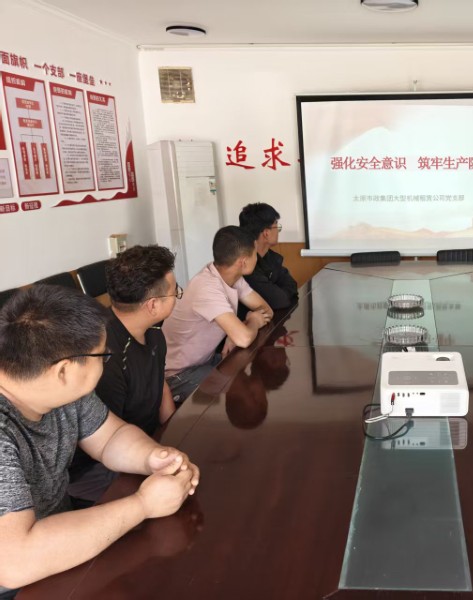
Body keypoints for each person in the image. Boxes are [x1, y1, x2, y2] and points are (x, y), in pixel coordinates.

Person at [0, 286, 200, 595]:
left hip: (64, 537)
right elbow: (15, 563)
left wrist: (154, 457)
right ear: (63, 371)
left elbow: (111, 437)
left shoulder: (62, 391)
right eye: (102, 355)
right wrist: (143, 504)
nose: (106, 362)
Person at [69, 245, 180, 506]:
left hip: (144, 445)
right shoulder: (103, 356)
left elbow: (159, 381)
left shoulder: (154, 331)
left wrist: (175, 432)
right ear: (153, 305)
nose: (177, 296)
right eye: (175, 292)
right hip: (100, 466)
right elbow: (108, 439)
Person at [163, 226, 273, 403]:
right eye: (254, 254)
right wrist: (250, 322)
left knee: (253, 364)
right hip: (178, 375)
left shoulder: (230, 276)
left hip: (204, 361)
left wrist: (236, 330)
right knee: (240, 385)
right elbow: (244, 338)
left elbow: (266, 310)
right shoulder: (207, 287)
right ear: (243, 262)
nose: (257, 258)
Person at [238, 203, 298, 311]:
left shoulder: (270, 257)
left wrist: (280, 292)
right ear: (266, 233)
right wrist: (280, 292)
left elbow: (292, 284)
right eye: (276, 227)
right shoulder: (247, 265)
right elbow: (279, 301)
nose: (278, 231)